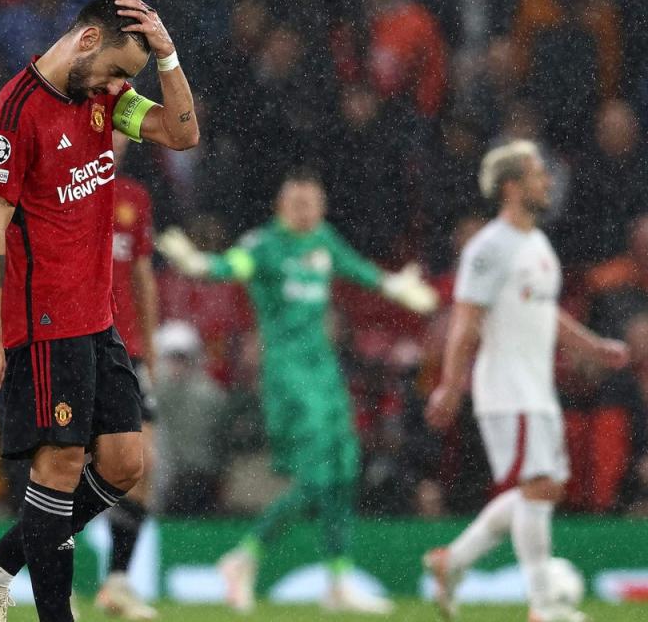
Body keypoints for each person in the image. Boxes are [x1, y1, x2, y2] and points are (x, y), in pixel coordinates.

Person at [0, 0, 198, 622]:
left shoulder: (105, 99)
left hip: (99, 318)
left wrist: (166, 55)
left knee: (124, 464)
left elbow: (183, 132)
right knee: (58, 465)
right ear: (86, 40)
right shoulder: (14, 113)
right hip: (44, 321)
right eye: (117, 70)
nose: (119, 88)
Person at [156, 168, 438, 615]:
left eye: (313, 204)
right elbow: (234, 266)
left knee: (345, 470)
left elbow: (360, 271)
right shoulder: (265, 245)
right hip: (287, 377)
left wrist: (395, 286)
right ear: (281, 207)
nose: (306, 212)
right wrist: (200, 265)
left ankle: (337, 580)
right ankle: (245, 554)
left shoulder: (323, 241)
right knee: (317, 478)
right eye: (297, 204)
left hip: (324, 372)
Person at [423, 140, 630, 622]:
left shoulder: (536, 243)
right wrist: (452, 385)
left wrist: (592, 346)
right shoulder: (488, 247)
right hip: (506, 389)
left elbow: (544, 311)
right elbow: (465, 319)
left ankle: (451, 562)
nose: (548, 182)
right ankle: (544, 604)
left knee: (544, 489)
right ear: (512, 187)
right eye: (539, 175)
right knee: (538, 487)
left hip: (536, 389)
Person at [93, 130, 159, 619]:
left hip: (129, 351)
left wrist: (151, 347)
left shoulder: (135, 197)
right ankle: (29, 565)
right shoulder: (62, 188)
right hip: (79, 345)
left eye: (122, 129)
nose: (117, 137)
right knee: (66, 463)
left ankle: (117, 580)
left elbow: (141, 274)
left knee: (143, 466)